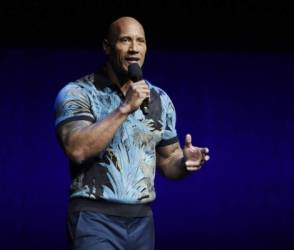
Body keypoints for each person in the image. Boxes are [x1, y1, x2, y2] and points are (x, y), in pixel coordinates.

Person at [54, 16, 210, 250]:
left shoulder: (159, 99)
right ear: (107, 46)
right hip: (94, 217)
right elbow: (77, 149)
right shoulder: (78, 93)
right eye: (125, 40)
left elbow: (168, 161)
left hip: (142, 221)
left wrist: (185, 162)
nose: (134, 49)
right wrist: (125, 107)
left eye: (140, 41)